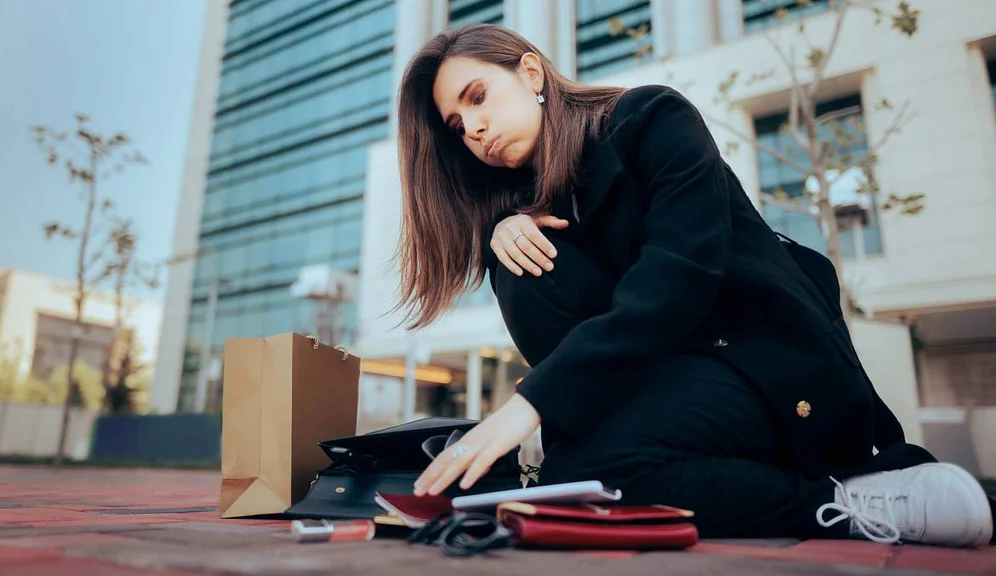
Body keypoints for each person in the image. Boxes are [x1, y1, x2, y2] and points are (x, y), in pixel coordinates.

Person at [392, 23, 993, 548]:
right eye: (457, 125)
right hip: (670, 390)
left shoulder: (652, 118)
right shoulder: (535, 215)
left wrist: (531, 405)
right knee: (569, 457)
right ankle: (627, 451)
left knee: (594, 466)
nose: (473, 127)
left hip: (767, 369)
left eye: (478, 98)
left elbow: (676, 276)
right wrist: (504, 225)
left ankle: (845, 502)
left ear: (529, 72)